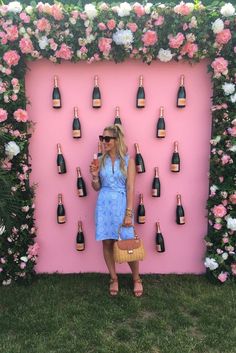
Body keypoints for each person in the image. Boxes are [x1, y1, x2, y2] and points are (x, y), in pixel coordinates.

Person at [89, 124, 143, 297]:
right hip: (104, 204)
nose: (104, 142)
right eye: (102, 138)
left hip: (121, 204)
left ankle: (136, 279)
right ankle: (113, 278)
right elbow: (96, 187)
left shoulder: (129, 161)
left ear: (116, 140)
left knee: (128, 242)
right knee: (107, 242)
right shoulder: (100, 159)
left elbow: (131, 187)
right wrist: (95, 176)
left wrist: (128, 212)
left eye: (107, 139)